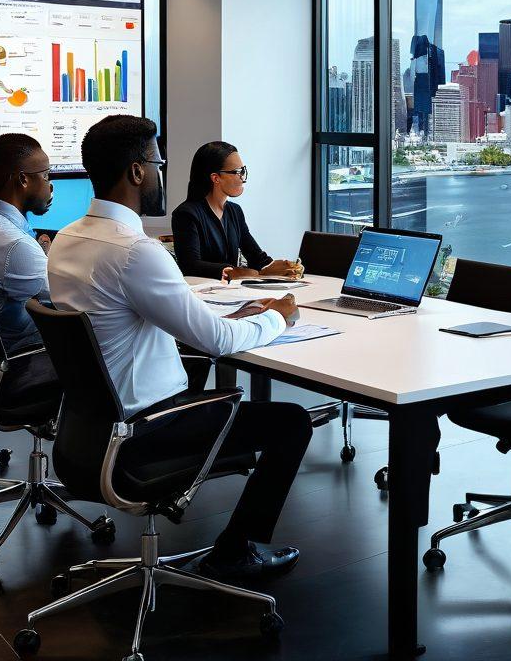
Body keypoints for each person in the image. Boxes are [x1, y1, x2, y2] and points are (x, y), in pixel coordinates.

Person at [47, 116, 312, 581]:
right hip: (148, 428)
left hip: (89, 431)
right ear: (136, 172)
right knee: (291, 422)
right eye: (157, 163)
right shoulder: (136, 250)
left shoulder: (67, 241)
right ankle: (235, 551)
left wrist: (231, 316)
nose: (161, 173)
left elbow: (138, 322)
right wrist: (278, 316)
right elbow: (216, 343)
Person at [171, 141, 300, 281]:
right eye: (237, 172)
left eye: (243, 171)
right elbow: (190, 265)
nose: (242, 178)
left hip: (233, 291)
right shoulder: (185, 214)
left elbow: (256, 257)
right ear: (215, 178)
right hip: (204, 293)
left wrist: (279, 267)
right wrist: (235, 272)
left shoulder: (235, 211)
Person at [0, 133, 54, 355]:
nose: (50, 186)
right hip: (32, 357)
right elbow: (69, 298)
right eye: (46, 175)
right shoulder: (15, 245)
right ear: (23, 179)